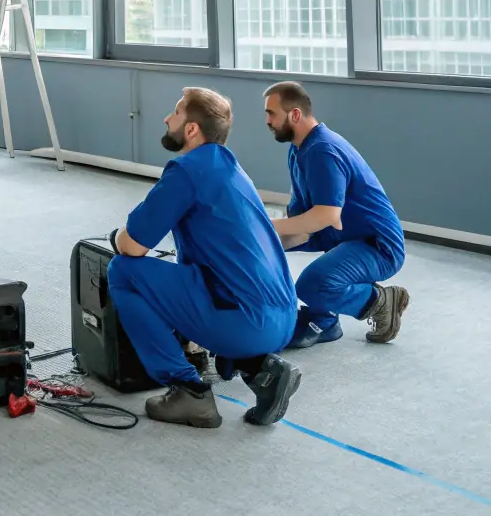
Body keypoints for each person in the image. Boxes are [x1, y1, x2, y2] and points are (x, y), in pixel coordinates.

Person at [107, 88, 301, 430]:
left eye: (176, 113)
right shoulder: (232, 168)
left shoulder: (187, 171)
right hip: (283, 320)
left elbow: (132, 247)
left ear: (192, 129)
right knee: (207, 280)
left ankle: (189, 391)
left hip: (244, 323)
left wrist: (121, 237)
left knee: (123, 272)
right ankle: (262, 372)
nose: (168, 119)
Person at [264, 81, 408, 350]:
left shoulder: (322, 150)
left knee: (310, 286)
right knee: (269, 247)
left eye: (271, 113)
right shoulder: (297, 150)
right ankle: (325, 319)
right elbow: (302, 224)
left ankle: (379, 301)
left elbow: (326, 215)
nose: (267, 121)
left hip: (378, 247)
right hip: (342, 237)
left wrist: (266, 226)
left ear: (295, 114)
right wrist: (263, 241)